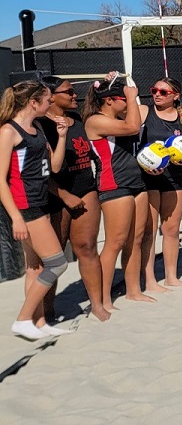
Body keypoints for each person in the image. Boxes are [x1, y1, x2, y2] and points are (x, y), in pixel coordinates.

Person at [2, 81, 72, 339]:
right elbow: (1, 180)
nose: (49, 104)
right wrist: (16, 218)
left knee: (35, 267)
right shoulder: (9, 131)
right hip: (25, 205)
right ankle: (22, 318)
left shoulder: (39, 128)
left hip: (40, 201)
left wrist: (62, 137)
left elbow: (53, 167)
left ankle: (38, 322)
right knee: (57, 263)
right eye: (46, 100)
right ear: (33, 102)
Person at [38, 76, 104, 321]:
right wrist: (64, 195)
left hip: (85, 188)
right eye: (69, 92)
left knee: (87, 248)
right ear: (51, 96)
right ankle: (46, 312)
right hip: (56, 195)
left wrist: (109, 80)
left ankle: (97, 305)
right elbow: (38, 171)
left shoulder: (76, 118)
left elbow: (101, 101)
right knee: (53, 258)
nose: (74, 95)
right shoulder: (40, 126)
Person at [84, 75, 151, 309]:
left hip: (137, 182)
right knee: (115, 242)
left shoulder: (124, 113)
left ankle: (133, 291)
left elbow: (142, 110)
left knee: (136, 239)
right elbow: (133, 126)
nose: (129, 100)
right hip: (114, 184)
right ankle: (102, 299)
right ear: (109, 101)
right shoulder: (95, 121)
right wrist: (130, 96)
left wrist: (125, 83)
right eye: (123, 98)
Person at [139, 76, 182, 289]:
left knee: (171, 230)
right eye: (154, 90)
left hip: (173, 177)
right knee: (150, 232)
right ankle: (151, 280)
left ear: (176, 96)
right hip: (149, 178)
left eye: (163, 92)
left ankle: (171, 276)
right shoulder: (145, 111)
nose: (157, 95)